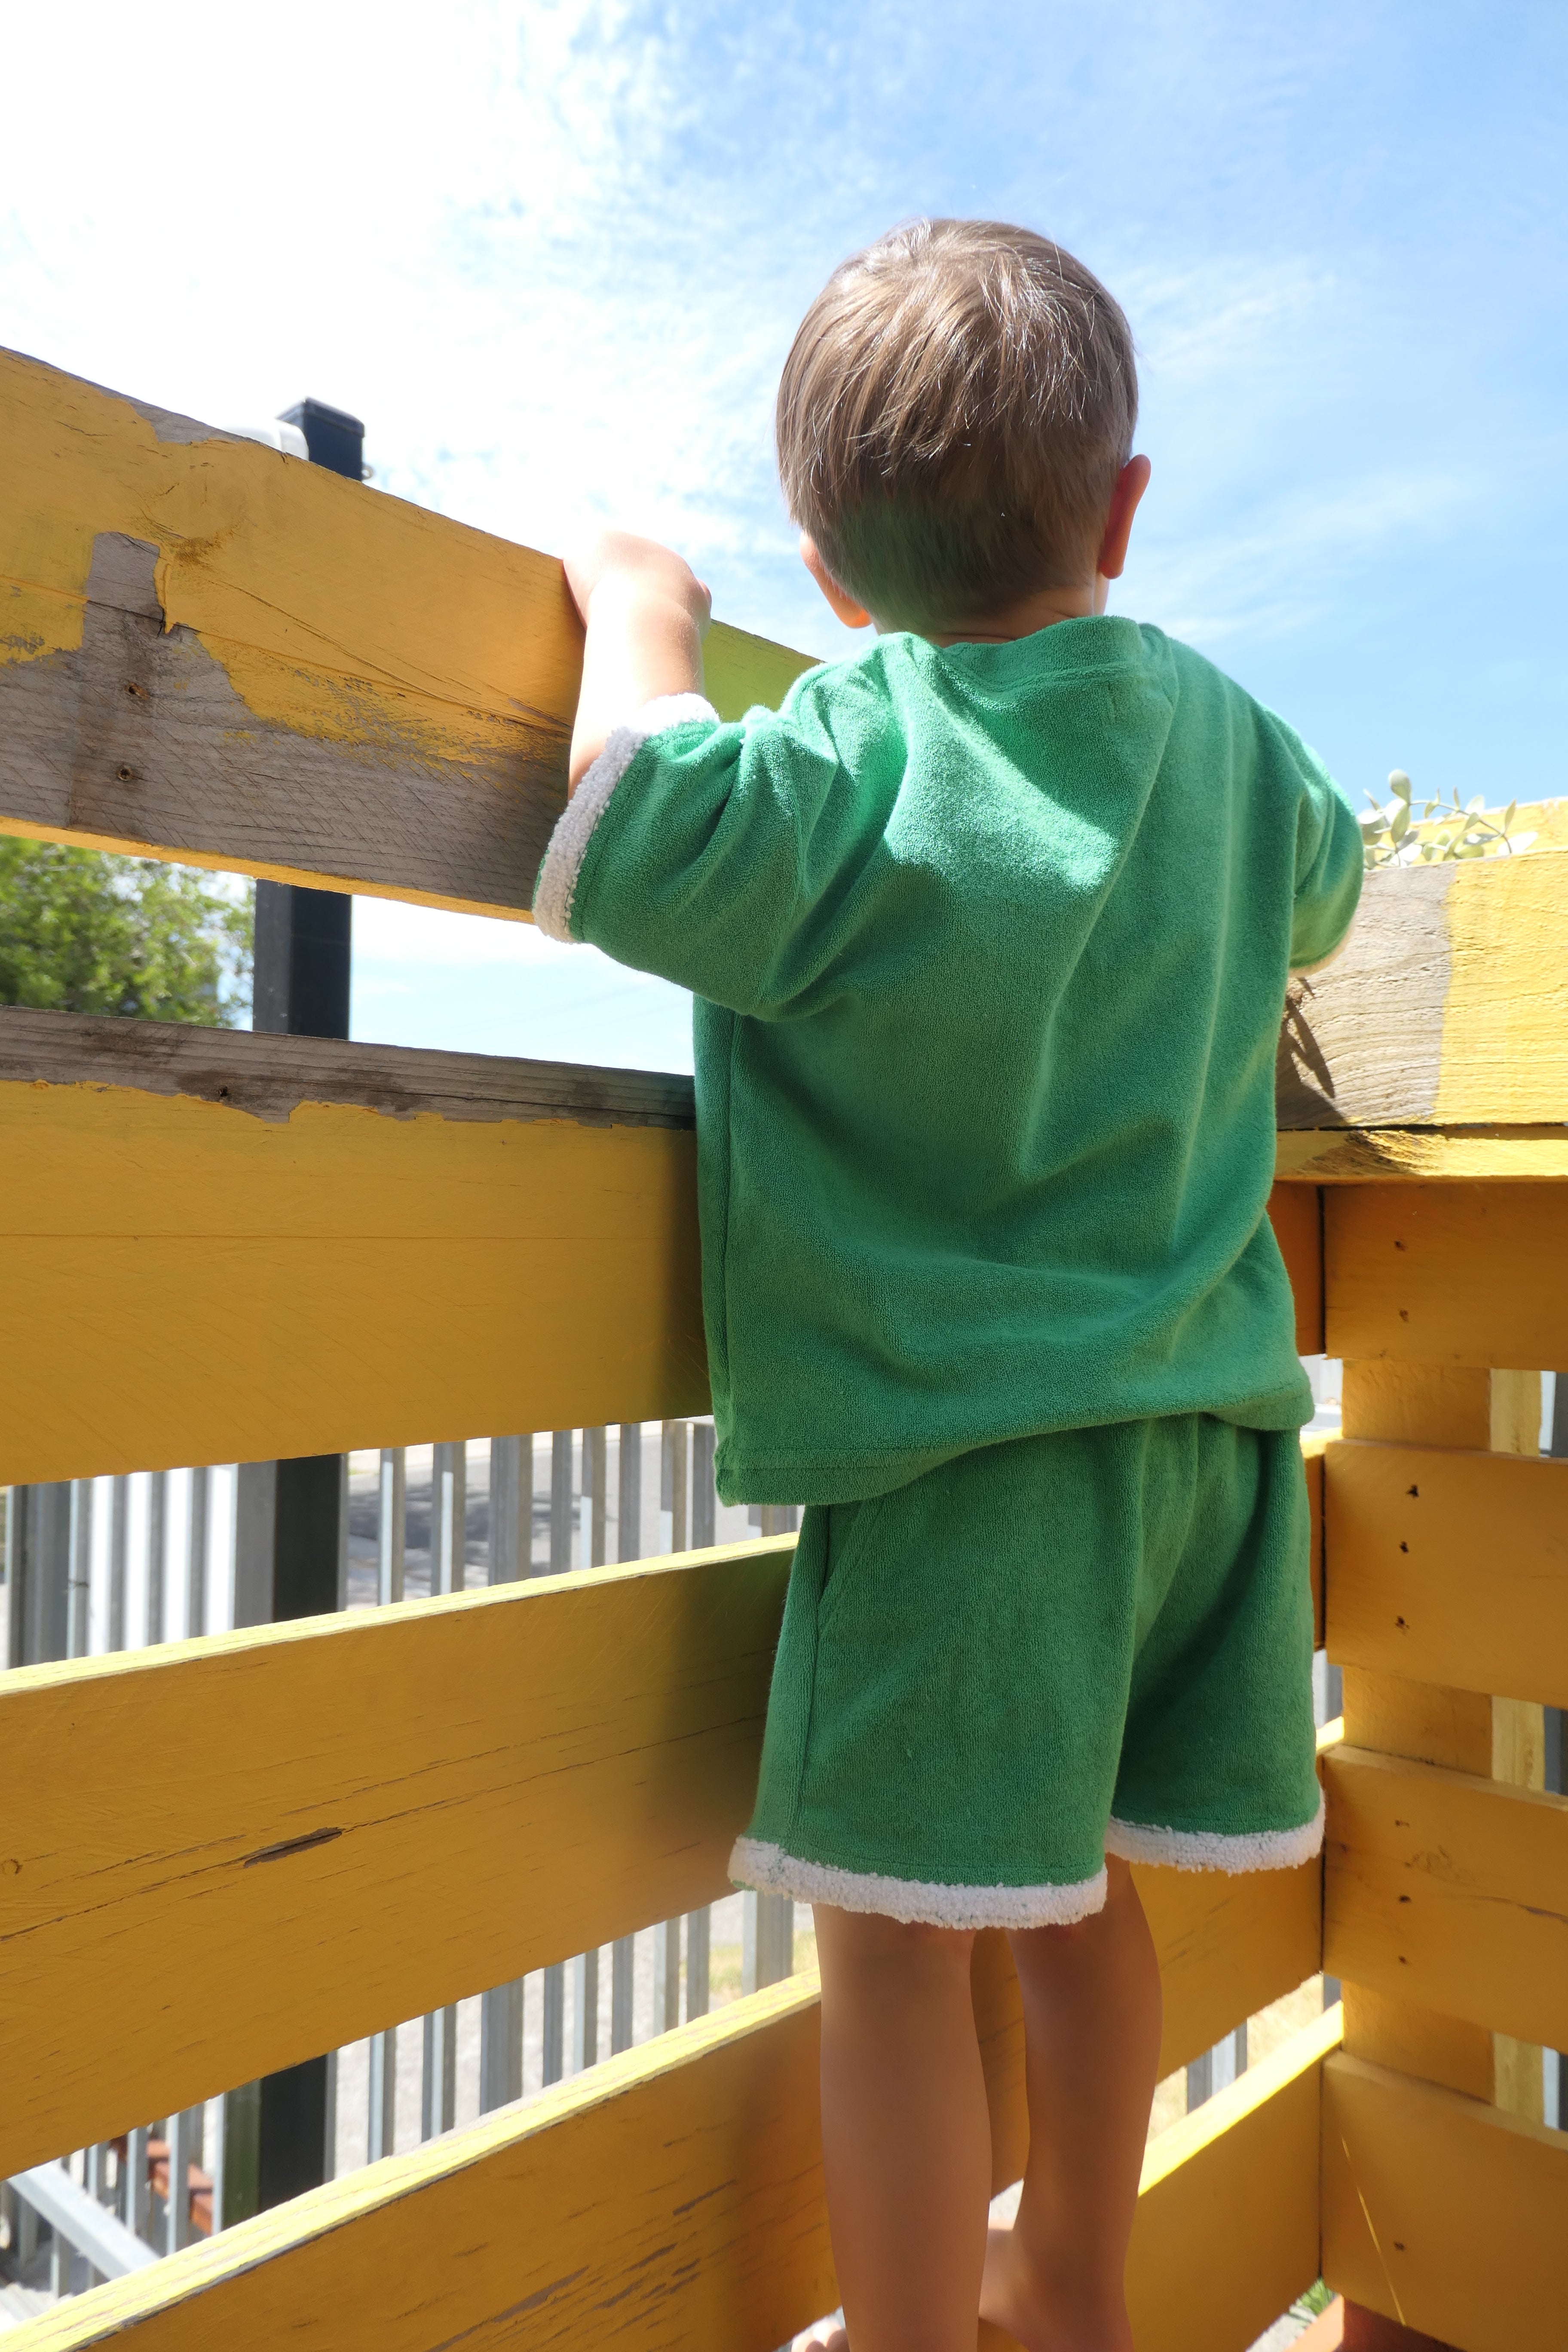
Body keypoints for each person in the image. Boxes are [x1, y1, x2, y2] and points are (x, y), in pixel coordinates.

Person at [533, 218, 1363, 2352]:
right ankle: (1075, 2289)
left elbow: (631, 833)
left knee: (894, 1959)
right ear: (1123, 508)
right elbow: (1333, 878)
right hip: (1203, 1454)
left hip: (974, 1480)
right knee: (1079, 1916)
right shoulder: (1229, 741)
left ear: (825, 574)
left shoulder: (862, 748)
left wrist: (640, 611)